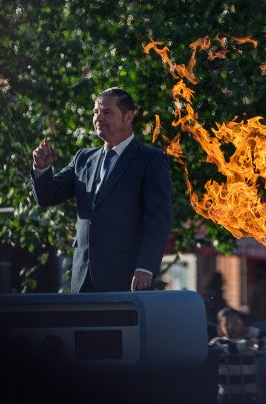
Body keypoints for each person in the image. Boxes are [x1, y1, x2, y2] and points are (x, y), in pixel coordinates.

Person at [30, 87, 173, 292]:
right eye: (96, 112)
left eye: (107, 112)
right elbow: (47, 197)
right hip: (82, 278)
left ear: (128, 117)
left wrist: (145, 267)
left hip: (126, 278)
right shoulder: (84, 158)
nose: (98, 118)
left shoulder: (150, 160)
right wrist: (42, 169)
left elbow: (159, 220)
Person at [209, 306, 266, 404]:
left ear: (243, 324)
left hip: (249, 394)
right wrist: (241, 346)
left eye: (236, 323)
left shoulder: (250, 342)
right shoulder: (217, 342)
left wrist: (253, 331)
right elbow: (217, 351)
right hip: (227, 395)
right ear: (220, 328)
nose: (232, 327)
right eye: (227, 324)